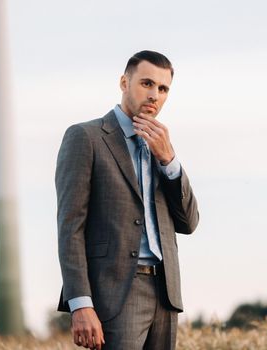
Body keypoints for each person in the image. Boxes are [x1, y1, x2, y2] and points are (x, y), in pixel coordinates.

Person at [55, 50, 199, 350]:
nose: (154, 95)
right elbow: (70, 228)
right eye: (146, 84)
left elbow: (189, 222)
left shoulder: (161, 147)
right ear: (124, 82)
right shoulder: (87, 137)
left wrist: (169, 160)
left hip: (166, 292)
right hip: (115, 293)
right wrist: (81, 304)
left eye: (163, 89)